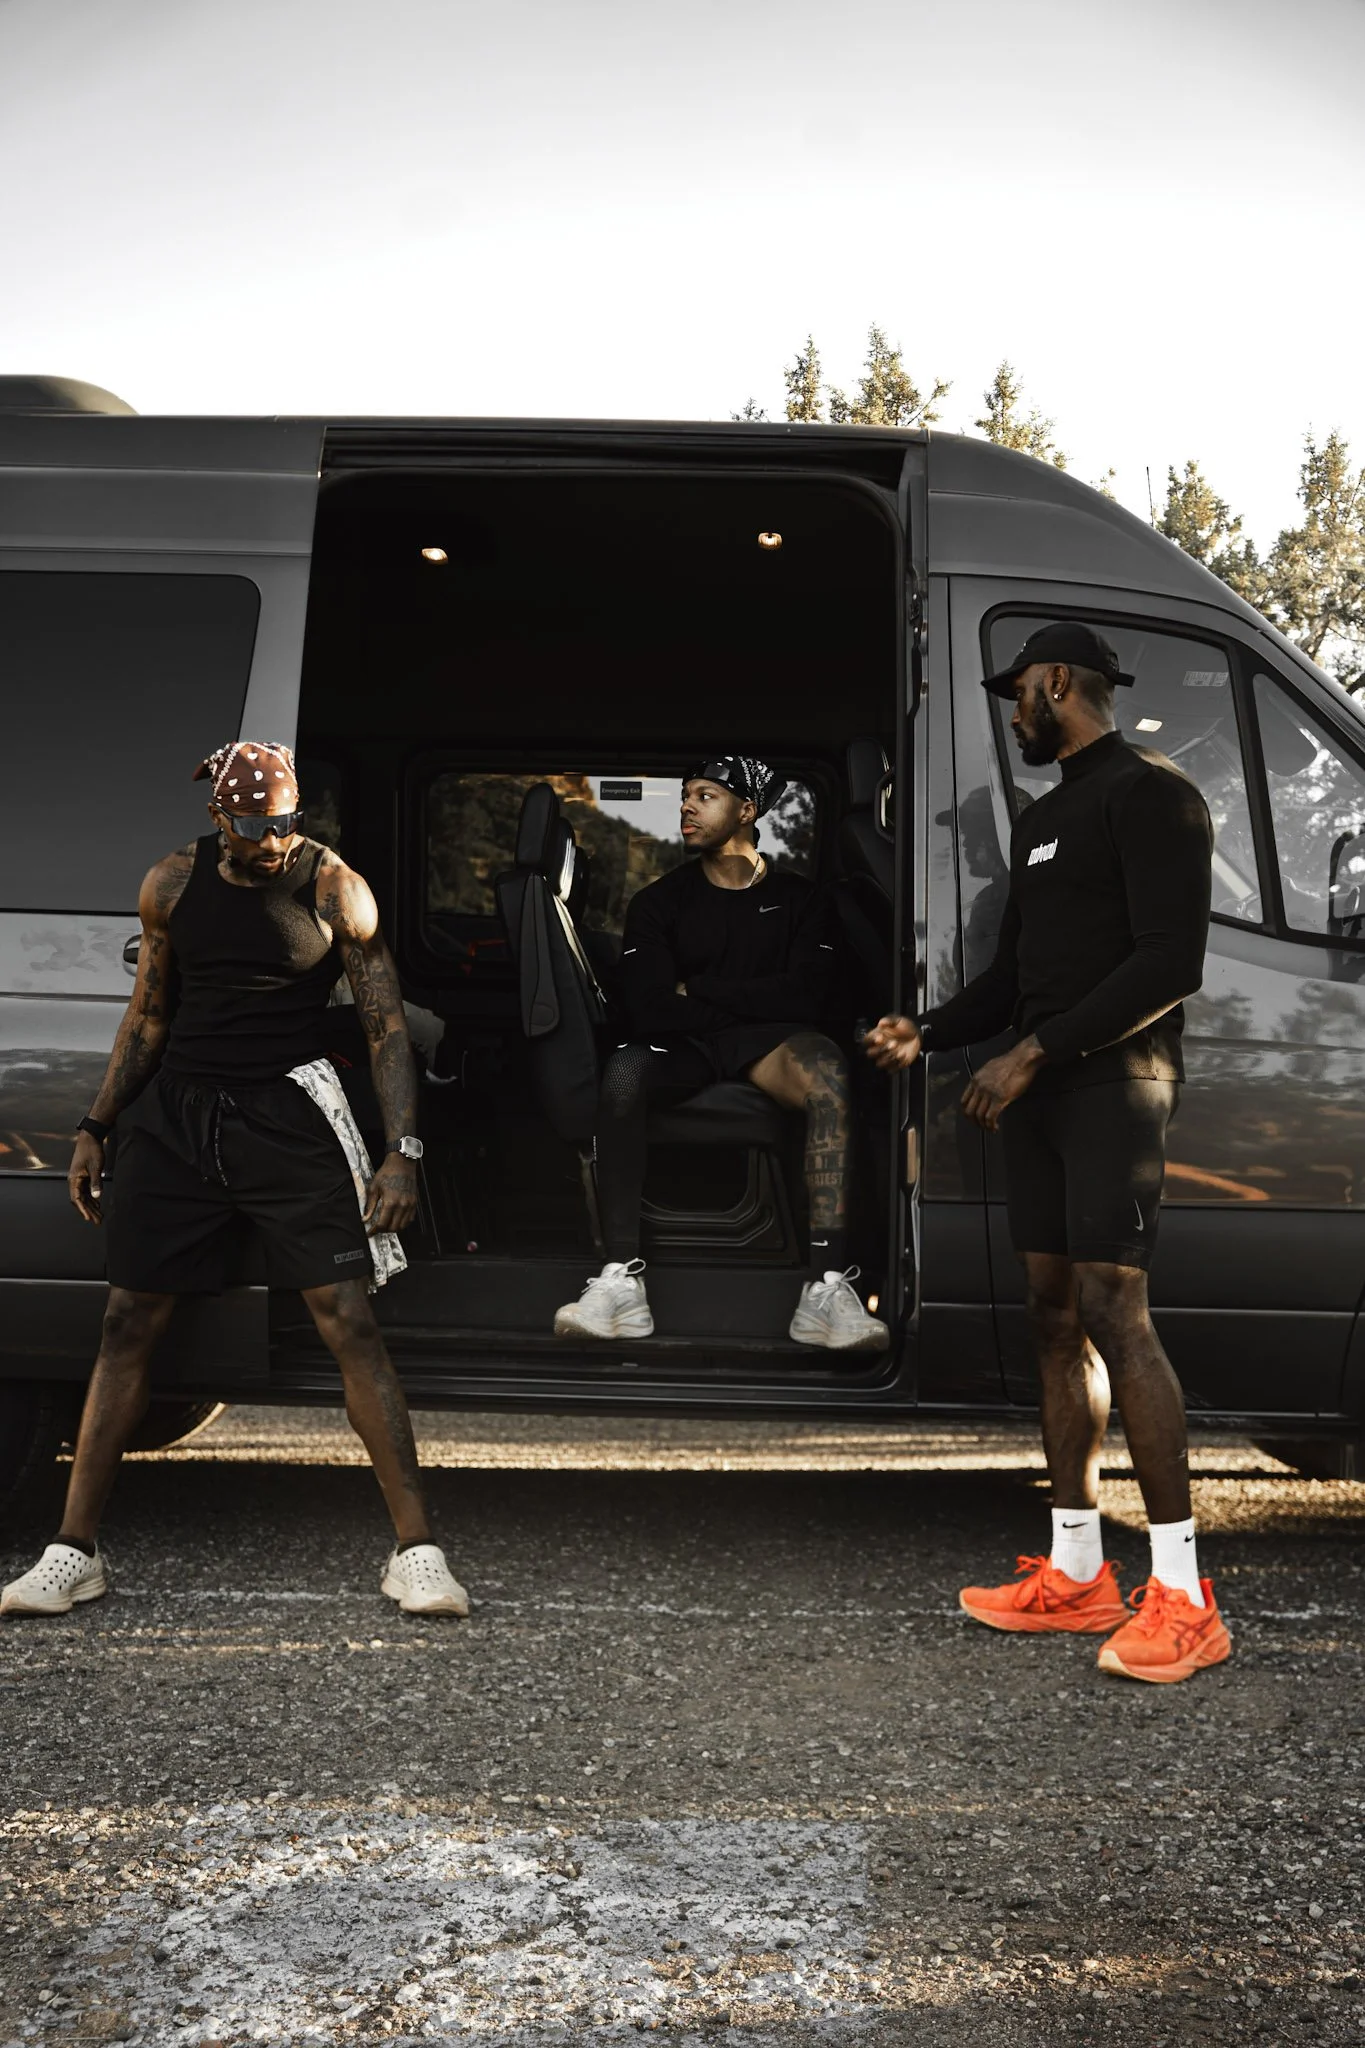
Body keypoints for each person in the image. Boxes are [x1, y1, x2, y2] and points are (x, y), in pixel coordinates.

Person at [1, 741, 468, 1620]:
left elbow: (384, 1030)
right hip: (175, 1119)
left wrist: (400, 1149)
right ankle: (73, 1554)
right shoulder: (171, 884)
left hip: (289, 1117)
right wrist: (97, 1125)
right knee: (127, 1320)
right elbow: (147, 1016)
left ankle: (418, 1553)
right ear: (220, 819)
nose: (275, 842)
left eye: (289, 823)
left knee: (349, 1322)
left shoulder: (334, 888)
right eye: (257, 828)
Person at [867, 623, 1231, 1684]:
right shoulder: (1045, 818)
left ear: (1058, 683)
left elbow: (1173, 959)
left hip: (1115, 1085)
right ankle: (1080, 1572)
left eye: (1017, 690)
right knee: (1052, 1312)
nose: (1011, 708)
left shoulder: (1152, 793)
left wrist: (1033, 1052)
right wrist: (929, 1031)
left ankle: (1183, 1595)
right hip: (1038, 1083)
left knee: (1120, 1312)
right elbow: (1017, 972)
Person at [554, 756, 888, 1352]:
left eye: (705, 796)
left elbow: (812, 996)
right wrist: (754, 1002)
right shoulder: (657, 903)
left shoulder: (803, 901)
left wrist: (702, 989)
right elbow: (651, 1009)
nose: (686, 806)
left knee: (829, 1074)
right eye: (685, 795)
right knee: (625, 1072)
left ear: (747, 811)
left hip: (770, 1043)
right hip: (683, 1044)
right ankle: (619, 1282)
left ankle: (827, 1288)